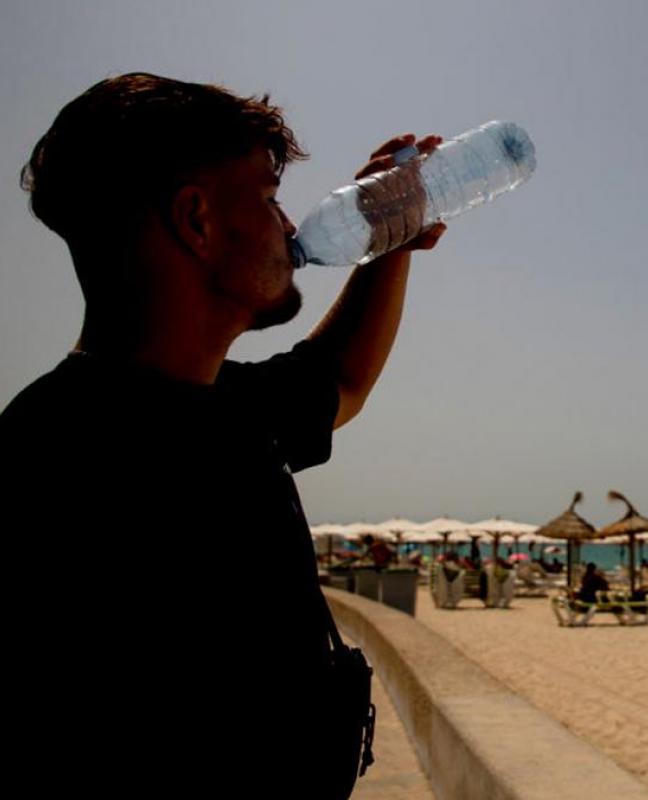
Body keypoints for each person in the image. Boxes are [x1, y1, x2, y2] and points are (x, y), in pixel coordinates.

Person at [0, 73, 446, 797]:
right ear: (196, 220)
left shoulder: (216, 405)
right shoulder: (58, 464)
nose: (291, 227)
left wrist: (388, 243)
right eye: (270, 200)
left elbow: (339, 382)